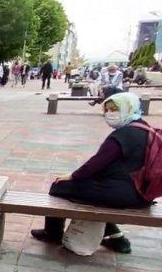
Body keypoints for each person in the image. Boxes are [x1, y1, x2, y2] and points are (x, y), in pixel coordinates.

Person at [31, 93, 149, 254]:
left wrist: (72, 177)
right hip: (140, 192)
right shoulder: (145, 129)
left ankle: (52, 233)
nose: (109, 114)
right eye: (106, 110)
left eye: (114, 109)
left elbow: (96, 164)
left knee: (59, 186)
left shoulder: (123, 135)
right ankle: (116, 237)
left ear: (128, 108)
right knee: (93, 195)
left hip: (122, 193)